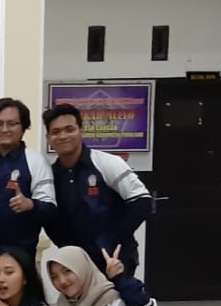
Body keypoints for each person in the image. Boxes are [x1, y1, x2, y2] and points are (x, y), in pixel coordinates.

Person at [43, 103, 154, 276]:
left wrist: (115, 240)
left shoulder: (107, 162)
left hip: (115, 260)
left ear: (81, 131)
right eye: (56, 132)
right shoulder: (49, 175)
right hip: (77, 266)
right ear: (48, 138)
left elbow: (142, 201)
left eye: (69, 129)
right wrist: (66, 248)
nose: (63, 136)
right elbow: (49, 217)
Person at [0, 98, 56, 306]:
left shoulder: (35, 160)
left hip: (18, 257)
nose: (4, 129)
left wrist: (30, 204)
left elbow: (50, 209)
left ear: (23, 127)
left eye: (12, 124)